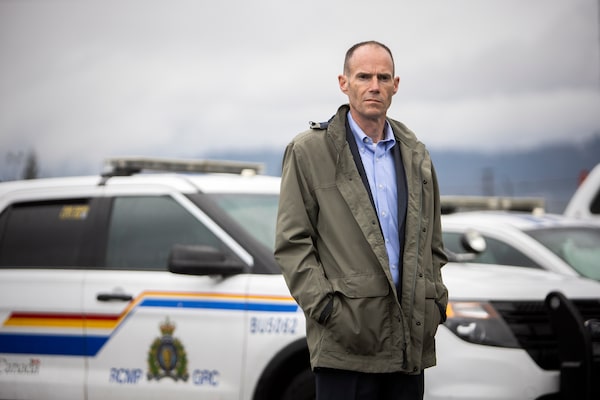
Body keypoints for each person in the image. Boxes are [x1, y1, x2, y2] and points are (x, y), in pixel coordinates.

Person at [274, 40, 448, 400]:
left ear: (395, 85)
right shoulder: (309, 151)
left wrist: (435, 303)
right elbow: (292, 244)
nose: (374, 86)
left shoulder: (416, 154)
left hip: (409, 344)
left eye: (383, 78)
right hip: (346, 347)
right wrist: (328, 311)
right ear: (344, 83)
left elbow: (433, 243)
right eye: (364, 77)